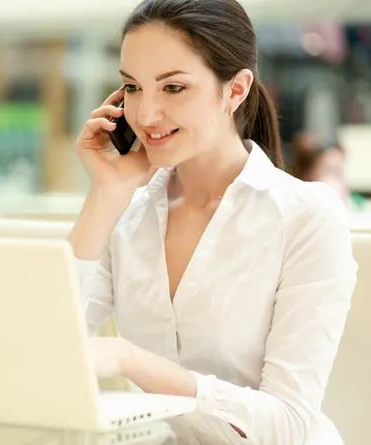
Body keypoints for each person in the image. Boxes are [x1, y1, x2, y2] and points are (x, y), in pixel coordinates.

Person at [68, 0, 357, 444]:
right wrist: (106, 191)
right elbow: (47, 343)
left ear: (236, 90)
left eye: (173, 88)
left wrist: (130, 361)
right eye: (132, 87)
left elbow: (288, 424)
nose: (145, 115)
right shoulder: (128, 213)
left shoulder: (306, 216)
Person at [291, 133, 367, 211]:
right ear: (307, 176)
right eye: (331, 171)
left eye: (340, 172)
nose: (339, 182)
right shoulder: (294, 211)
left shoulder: (359, 210)